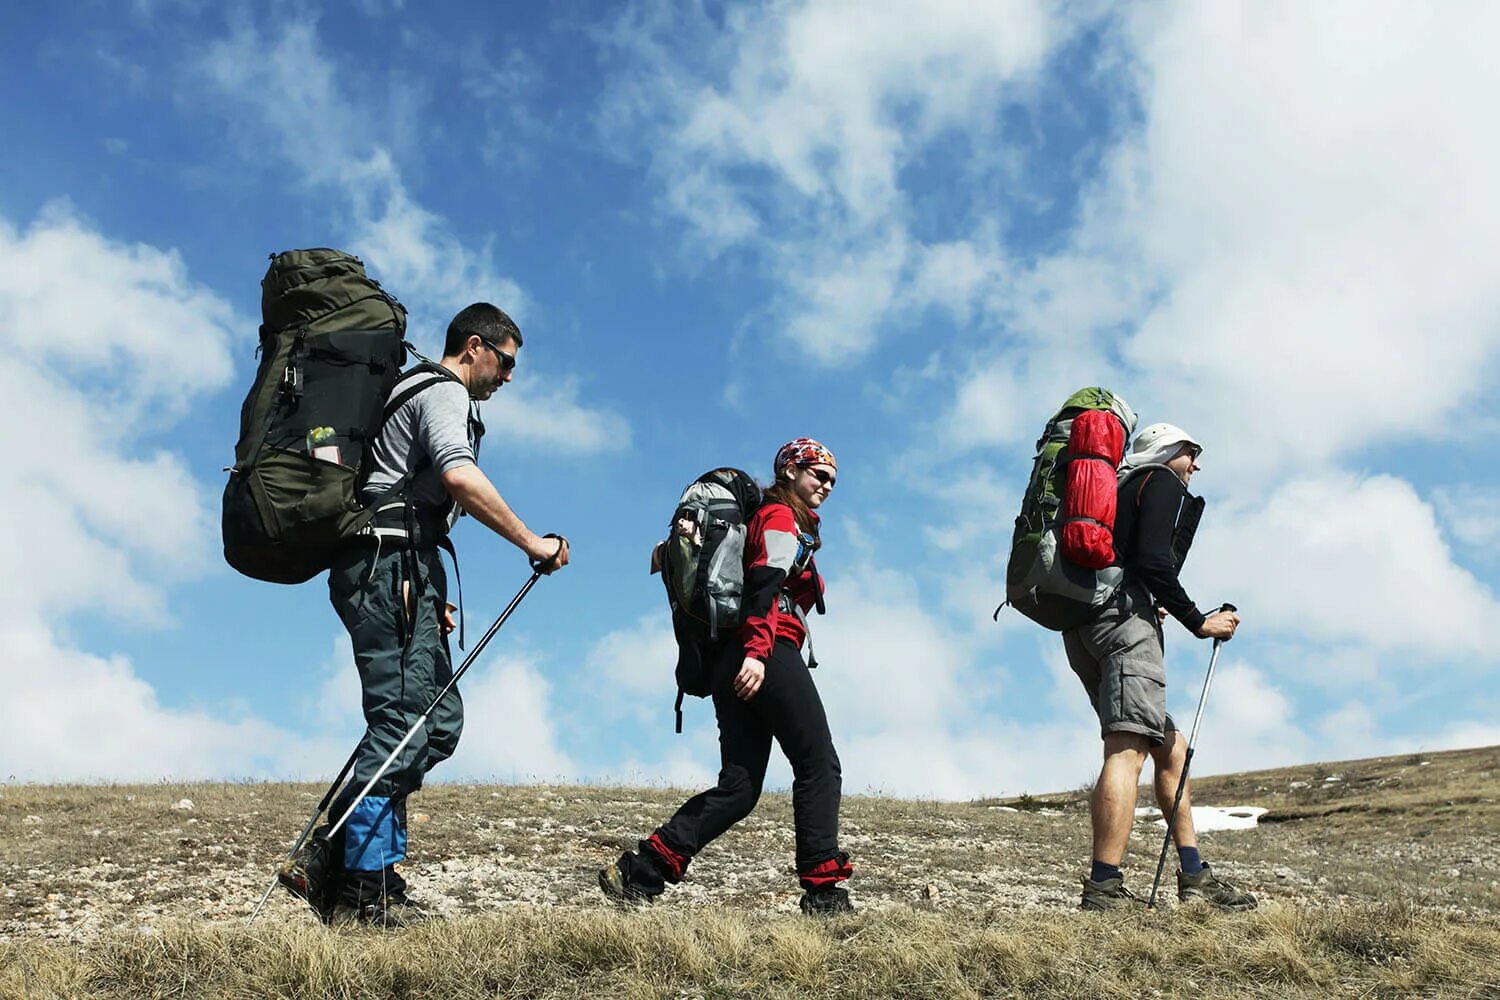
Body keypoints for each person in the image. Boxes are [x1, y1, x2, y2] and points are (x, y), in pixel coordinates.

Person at [280, 302, 569, 926]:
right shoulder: (441, 394)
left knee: (436, 725)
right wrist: (532, 543)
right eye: (507, 361)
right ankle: (362, 891)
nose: (510, 377)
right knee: (402, 724)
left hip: (404, 572)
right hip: (388, 566)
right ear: (475, 346)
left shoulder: (413, 391)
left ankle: (333, 857)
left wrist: (427, 594)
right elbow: (459, 478)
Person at [600, 438, 853, 914]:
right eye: (818, 474)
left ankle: (643, 869)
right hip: (765, 651)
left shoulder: (769, 519)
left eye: (832, 480)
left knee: (739, 787)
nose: (826, 485)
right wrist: (758, 654)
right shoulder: (780, 518)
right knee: (818, 762)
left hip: (728, 660)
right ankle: (824, 893)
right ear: (789, 471)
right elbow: (763, 587)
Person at [1066, 422, 1256, 911]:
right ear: (1168, 451)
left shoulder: (1124, 486)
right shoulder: (1161, 480)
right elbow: (1153, 559)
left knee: (1171, 749)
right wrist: (1199, 620)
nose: (1196, 464)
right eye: (1191, 452)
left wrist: (1155, 597)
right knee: (1127, 747)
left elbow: (1138, 559)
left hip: (1086, 623)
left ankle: (1195, 875)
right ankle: (1103, 889)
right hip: (1126, 624)